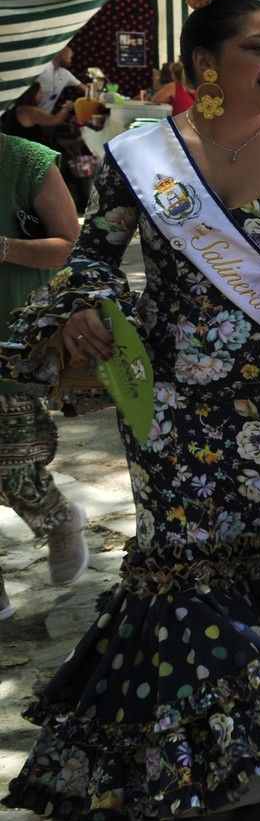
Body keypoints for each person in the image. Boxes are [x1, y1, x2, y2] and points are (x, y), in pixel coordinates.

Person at [0, 0, 260, 821]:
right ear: (205, 62)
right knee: (180, 562)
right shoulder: (143, 156)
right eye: (258, 50)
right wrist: (85, 303)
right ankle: (196, 762)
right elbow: (94, 254)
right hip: (165, 401)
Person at [0, 132, 90, 620]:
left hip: (12, 341)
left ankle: (57, 519)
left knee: (13, 461)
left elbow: (70, 246)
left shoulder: (24, 160)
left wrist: (5, 248)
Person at [35, 47, 83, 113]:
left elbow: (82, 86)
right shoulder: (40, 68)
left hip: (46, 116)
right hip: (28, 115)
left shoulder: (66, 74)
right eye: (69, 58)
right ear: (63, 56)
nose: (70, 61)